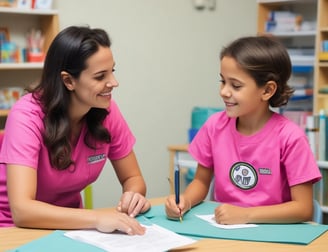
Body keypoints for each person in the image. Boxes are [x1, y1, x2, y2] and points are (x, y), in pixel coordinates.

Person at [0, 26, 151, 235]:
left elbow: (133, 178)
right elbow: (22, 210)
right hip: (13, 229)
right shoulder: (26, 116)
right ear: (68, 81)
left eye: (112, 71)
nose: (114, 83)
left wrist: (133, 196)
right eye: (100, 76)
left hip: (72, 226)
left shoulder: (106, 110)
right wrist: (97, 217)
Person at [165, 36, 322, 224]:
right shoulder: (214, 126)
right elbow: (200, 181)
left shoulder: (291, 137)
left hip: (273, 232)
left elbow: (303, 209)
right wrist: (185, 201)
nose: (224, 91)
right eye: (223, 81)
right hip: (223, 229)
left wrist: (246, 215)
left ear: (267, 90)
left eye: (236, 85)